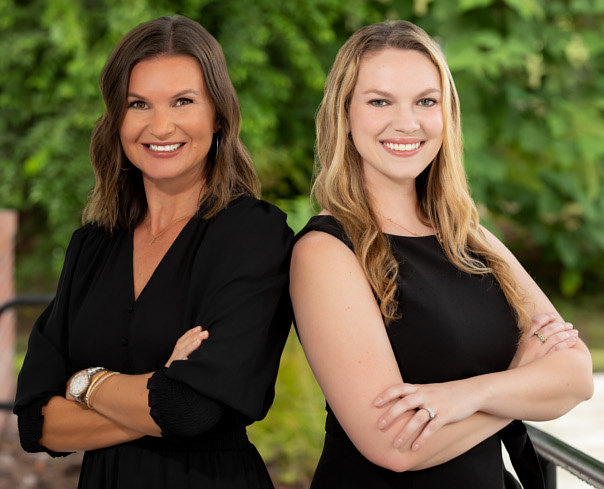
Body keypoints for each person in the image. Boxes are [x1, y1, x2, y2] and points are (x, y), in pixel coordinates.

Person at [290, 20, 593, 488]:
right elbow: (394, 448)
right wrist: (520, 378)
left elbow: (576, 374)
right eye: (379, 101)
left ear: (446, 114)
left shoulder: (471, 238)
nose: (407, 122)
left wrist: (471, 394)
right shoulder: (325, 252)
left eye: (425, 101)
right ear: (343, 116)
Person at [14, 15, 293, 489]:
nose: (160, 126)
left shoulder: (255, 236)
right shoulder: (92, 246)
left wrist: (86, 384)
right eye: (138, 104)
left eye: (183, 101)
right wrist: (161, 385)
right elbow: (36, 423)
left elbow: (192, 411)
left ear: (218, 116)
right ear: (116, 119)